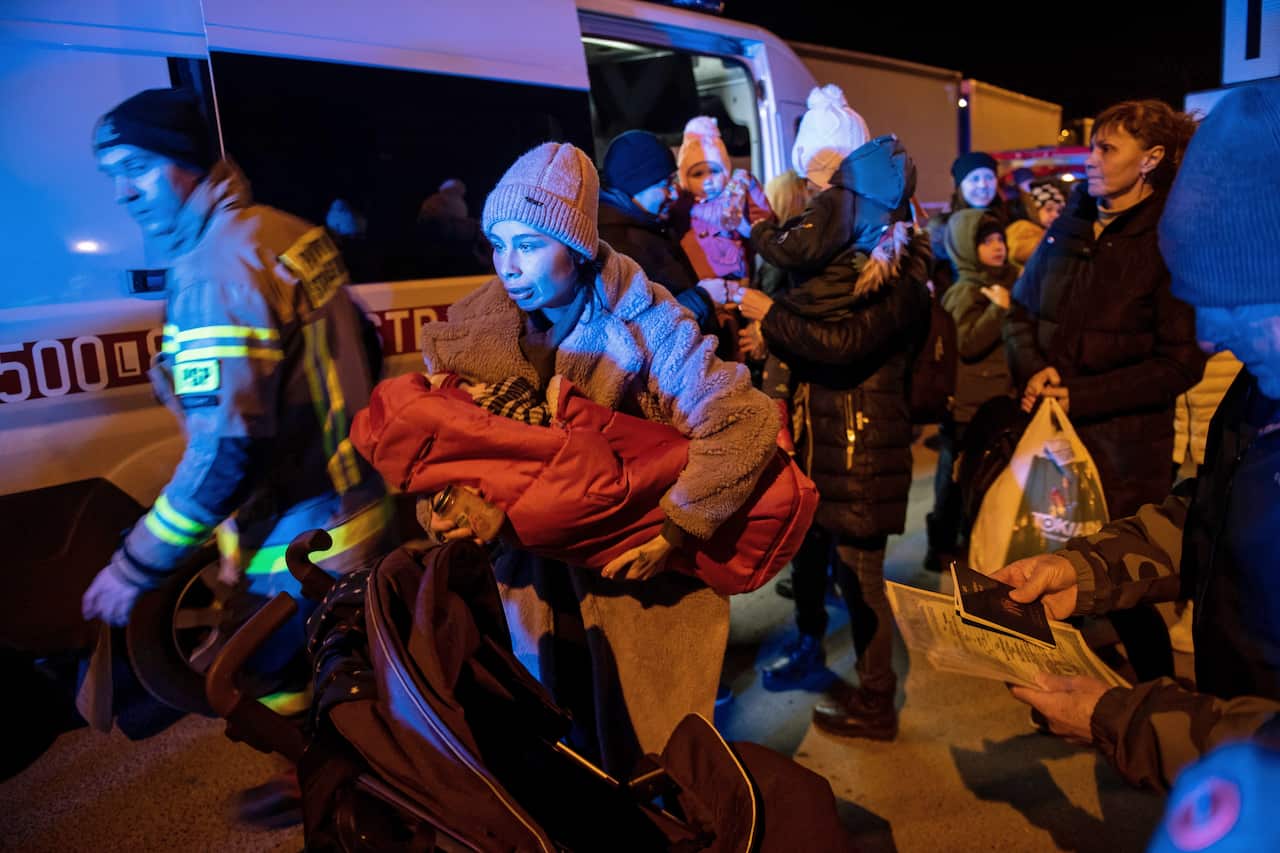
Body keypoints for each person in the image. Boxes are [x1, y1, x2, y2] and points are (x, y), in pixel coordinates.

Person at [417, 141, 779, 774]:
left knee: (651, 763)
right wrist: (443, 505)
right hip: (528, 591)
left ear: (578, 247)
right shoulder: (471, 333)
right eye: (498, 244)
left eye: (529, 245)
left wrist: (676, 529)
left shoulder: (648, 325)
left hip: (636, 591)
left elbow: (745, 420)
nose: (509, 266)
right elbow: (442, 449)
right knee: (556, 757)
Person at [993, 80, 1280, 792]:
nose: (1211, 337)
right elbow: (1209, 512)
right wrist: (1087, 570)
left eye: (1234, 304)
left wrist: (1126, 717)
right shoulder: (1261, 388)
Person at [81, 89, 393, 656]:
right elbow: (365, 344)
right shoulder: (283, 231)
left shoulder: (216, 273)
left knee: (278, 694)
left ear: (188, 161)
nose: (123, 192)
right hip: (355, 501)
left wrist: (134, 566)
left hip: (299, 536)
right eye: (113, 176)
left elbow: (228, 452)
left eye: (138, 168)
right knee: (353, 684)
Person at [741, 100, 931, 740]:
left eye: (831, 178)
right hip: (825, 437)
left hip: (864, 442)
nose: (820, 192)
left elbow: (844, 347)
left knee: (864, 579)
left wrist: (771, 317)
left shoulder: (897, 269)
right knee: (822, 565)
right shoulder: (833, 254)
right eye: (814, 177)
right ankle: (816, 653)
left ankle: (877, 700)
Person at [1003, 98, 1205, 684]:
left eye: (1106, 147)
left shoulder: (1169, 241)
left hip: (1124, 455)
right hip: (1051, 445)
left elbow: (1179, 364)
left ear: (1152, 159)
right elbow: (1018, 313)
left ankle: (1151, 701)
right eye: (1092, 144)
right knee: (1049, 573)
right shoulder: (1066, 227)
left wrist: (1081, 397)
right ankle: (1061, 689)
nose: (1089, 158)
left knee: (1125, 587)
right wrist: (1032, 368)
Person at [923, 210, 1017, 572]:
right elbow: (968, 342)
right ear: (966, 247)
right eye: (986, 241)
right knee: (955, 479)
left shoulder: (1005, 282)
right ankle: (942, 546)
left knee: (983, 477)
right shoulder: (966, 291)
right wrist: (998, 311)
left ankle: (970, 538)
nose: (997, 247)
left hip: (996, 401)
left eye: (1000, 240)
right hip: (966, 407)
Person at [596, 129, 730, 335]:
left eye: (673, 180)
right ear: (635, 186)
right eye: (665, 184)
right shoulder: (616, 249)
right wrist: (702, 298)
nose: (675, 192)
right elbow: (638, 329)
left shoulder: (650, 223)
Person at [674, 115, 773, 282]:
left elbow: (764, 226)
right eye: (698, 173)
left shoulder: (734, 198)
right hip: (700, 289)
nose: (708, 180)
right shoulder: (679, 205)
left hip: (737, 286)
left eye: (714, 171)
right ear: (684, 176)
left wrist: (752, 191)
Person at [927, 151, 1009, 298]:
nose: (983, 185)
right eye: (975, 178)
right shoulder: (942, 227)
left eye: (989, 177)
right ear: (960, 185)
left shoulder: (1010, 219)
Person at [1005, 181, 1065, 268]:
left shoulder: (1049, 232)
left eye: (1059, 211)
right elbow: (1018, 252)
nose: (1056, 215)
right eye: (1049, 209)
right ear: (1034, 210)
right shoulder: (1022, 227)